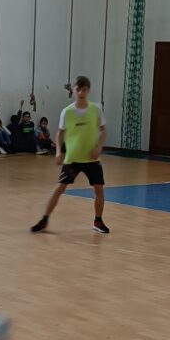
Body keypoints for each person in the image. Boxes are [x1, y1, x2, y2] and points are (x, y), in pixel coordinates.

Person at [30, 76, 108, 234]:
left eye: (84, 90)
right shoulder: (67, 111)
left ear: (88, 90)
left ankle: (98, 221)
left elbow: (103, 130)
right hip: (72, 159)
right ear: (73, 90)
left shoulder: (96, 109)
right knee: (59, 188)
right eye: (78, 89)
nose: (81, 93)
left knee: (99, 189)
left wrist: (99, 147)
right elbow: (60, 133)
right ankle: (44, 220)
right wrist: (59, 152)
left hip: (91, 159)